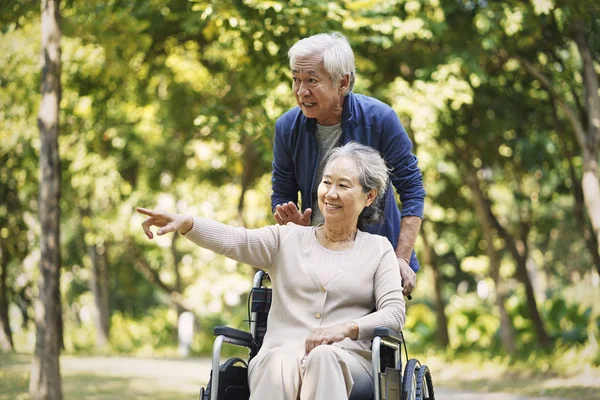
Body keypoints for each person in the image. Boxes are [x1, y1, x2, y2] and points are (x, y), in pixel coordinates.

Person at [138, 142, 405, 400]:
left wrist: (346, 329)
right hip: (279, 357)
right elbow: (236, 240)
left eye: (343, 185)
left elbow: (394, 313)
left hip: (348, 363)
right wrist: (189, 224)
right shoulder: (287, 239)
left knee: (324, 357)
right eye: (326, 182)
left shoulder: (378, 249)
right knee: (280, 362)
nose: (330, 193)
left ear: (369, 196)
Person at [271, 32, 426, 296]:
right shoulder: (287, 128)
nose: (301, 91)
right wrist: (291, 225)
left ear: (342, 83)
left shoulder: (381, 119)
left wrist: (400, 258)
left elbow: (412, 190)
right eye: (295, 80)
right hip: (315, 257)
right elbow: (282, 193)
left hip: (374, 261)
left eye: (311, 80)